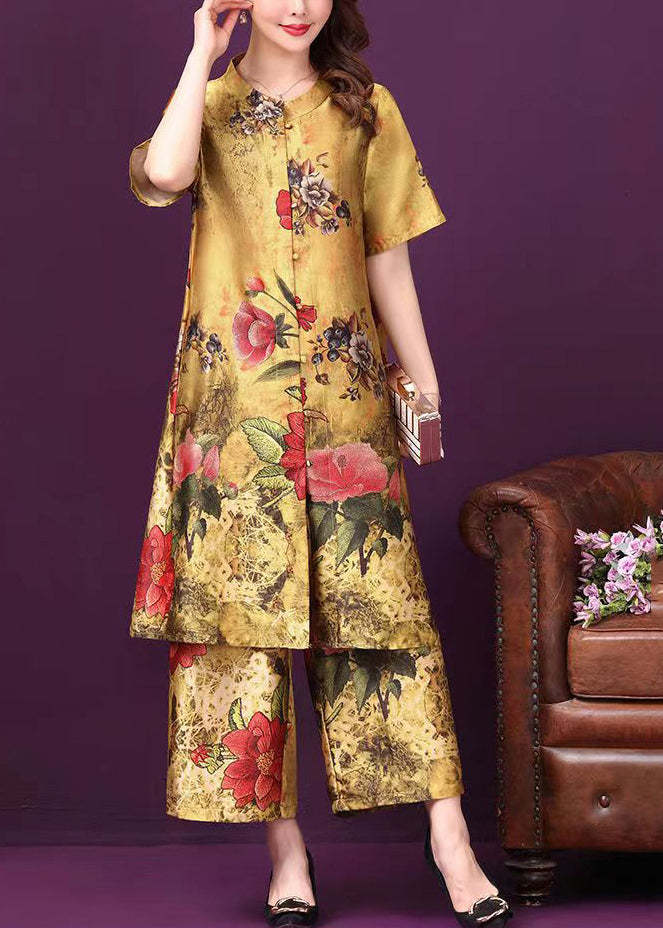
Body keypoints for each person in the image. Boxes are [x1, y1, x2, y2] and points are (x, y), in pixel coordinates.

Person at [127, 1, 514, 925]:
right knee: (244, 629)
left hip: (347, 412)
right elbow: (164, 175)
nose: (297, 6)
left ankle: (450, 842)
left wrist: (423, 385)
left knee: (386, 619)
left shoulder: (365, 109)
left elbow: (388, 261)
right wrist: (199, 51)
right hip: (233, 423)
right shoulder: (206, 105)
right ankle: (286, 854)